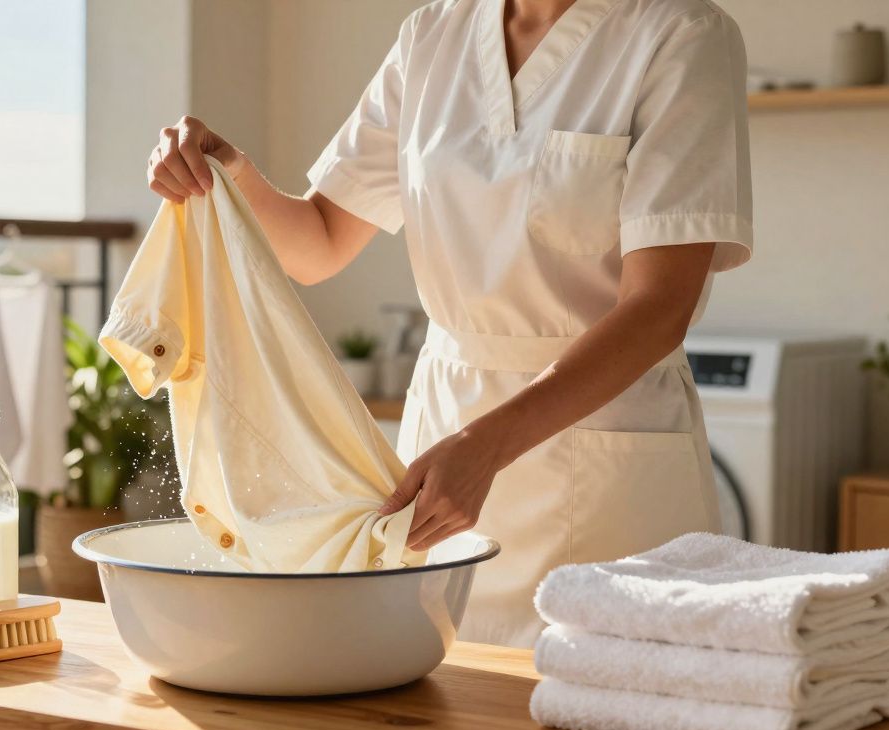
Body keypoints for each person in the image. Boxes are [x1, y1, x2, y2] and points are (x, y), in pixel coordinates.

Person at [145, 0, 752, 647]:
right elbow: (319, 241)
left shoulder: (680, 33)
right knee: (436, 674)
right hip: (444, 434)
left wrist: (484, 447)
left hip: (605, 456)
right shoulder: (432, 35)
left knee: (606, 676)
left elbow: (659, 308)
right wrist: (228, 173)